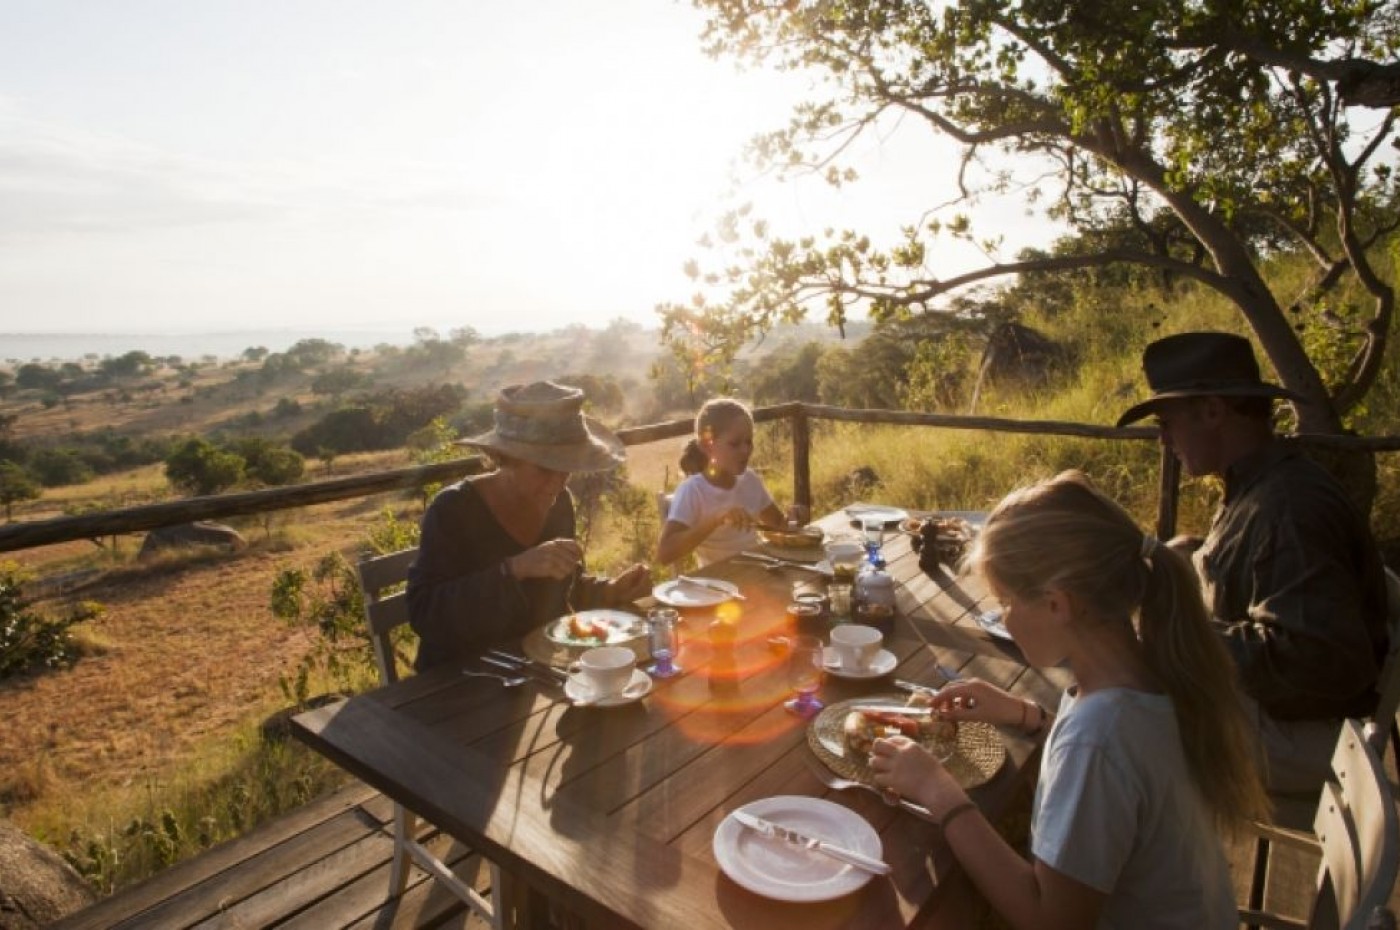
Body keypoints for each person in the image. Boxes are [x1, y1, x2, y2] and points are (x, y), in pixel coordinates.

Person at [870, 471, 1269, 929]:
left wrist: (937, 790)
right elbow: (1119, 765)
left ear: (1058, 605)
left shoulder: (1097, 741)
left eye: (1005, 601)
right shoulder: (1153, 670)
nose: (1003, 616)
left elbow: (1048, 919)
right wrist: (1026, 715)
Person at [1116, 331, 1389, 794]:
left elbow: (1319, 661)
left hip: (1305, 736)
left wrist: (1177, 633)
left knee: (1118, 720)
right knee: (1115, 683)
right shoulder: (1261, 486)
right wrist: (1191, 557)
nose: (1162, 439)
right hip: (1279, 716)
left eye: (1167, 421)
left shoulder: (1288, 507)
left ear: (1213, 410)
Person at [407, 381, 651, 672]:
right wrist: (513, 569)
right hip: (457, 680)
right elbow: (426, 613)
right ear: (505, 458)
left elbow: (562, 589)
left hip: (530, 673)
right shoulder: (453, 510)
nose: (558, 482)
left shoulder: (560, 504)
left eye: (566, 467)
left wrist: (610, 591)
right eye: (545, 469)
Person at [655, 398, 803, 567]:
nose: (746, 450)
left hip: (760, 571)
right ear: (707, 446)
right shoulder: (693, 491)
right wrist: (717, 519)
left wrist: (794, 518)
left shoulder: (750, 480)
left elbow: (778, 525)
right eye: (735, 444)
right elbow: (664, 554)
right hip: (718, 584)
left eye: (749, 442)